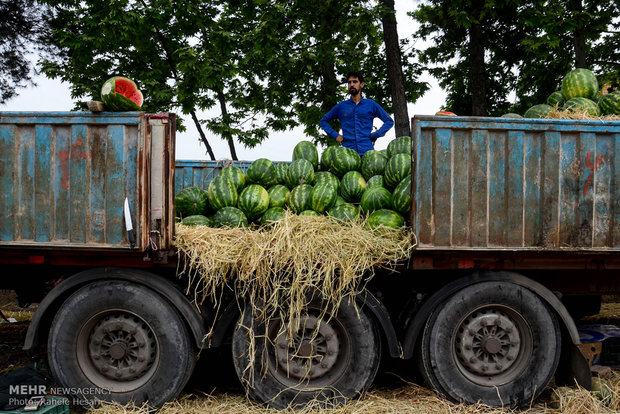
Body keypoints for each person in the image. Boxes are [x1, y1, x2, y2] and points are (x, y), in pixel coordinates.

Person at [320, 71, 394, 156]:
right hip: (348, 154)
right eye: (349, 82)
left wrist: (376, 134)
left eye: (355, 82)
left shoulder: (371, 104)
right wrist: (335, 135)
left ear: (361, 84)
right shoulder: (341, 106)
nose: (352, 84)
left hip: (367, 152)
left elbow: (389, 121)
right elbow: (323, 121)